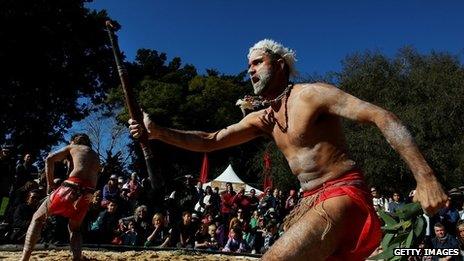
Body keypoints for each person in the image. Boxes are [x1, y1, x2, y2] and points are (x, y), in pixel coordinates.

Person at [128, 39, 447, 260]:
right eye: (248, 66)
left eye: (257, 62)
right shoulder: (263, 118)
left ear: (279, 64)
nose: (250, 70)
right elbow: (211, 140)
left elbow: (381, 116)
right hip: (308, 201)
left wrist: (426, 178)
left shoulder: (312, 96)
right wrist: (158, 133)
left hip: (342, 193)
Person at [20, 133, 100, 261]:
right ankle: (77, 258)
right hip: (88, 194)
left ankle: (24, 258)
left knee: (37, 218)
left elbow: (49, 159)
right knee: (75, 228)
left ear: (74, 141)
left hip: (71, 187)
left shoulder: (73, 147)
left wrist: (50, 184)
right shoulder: (95, 155)